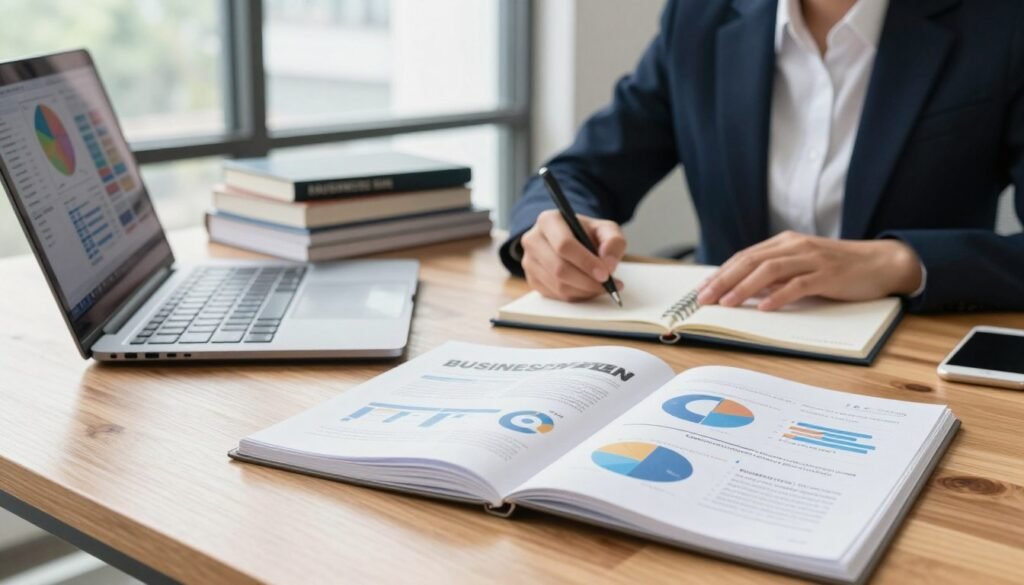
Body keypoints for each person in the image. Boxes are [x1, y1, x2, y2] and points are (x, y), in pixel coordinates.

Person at [500, 0, 1024, 313]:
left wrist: (897, 263)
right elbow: (580, 170)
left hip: (911, 360)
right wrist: (542, 236)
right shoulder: (701, 15)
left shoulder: (1003, 25)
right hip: (724, 348)